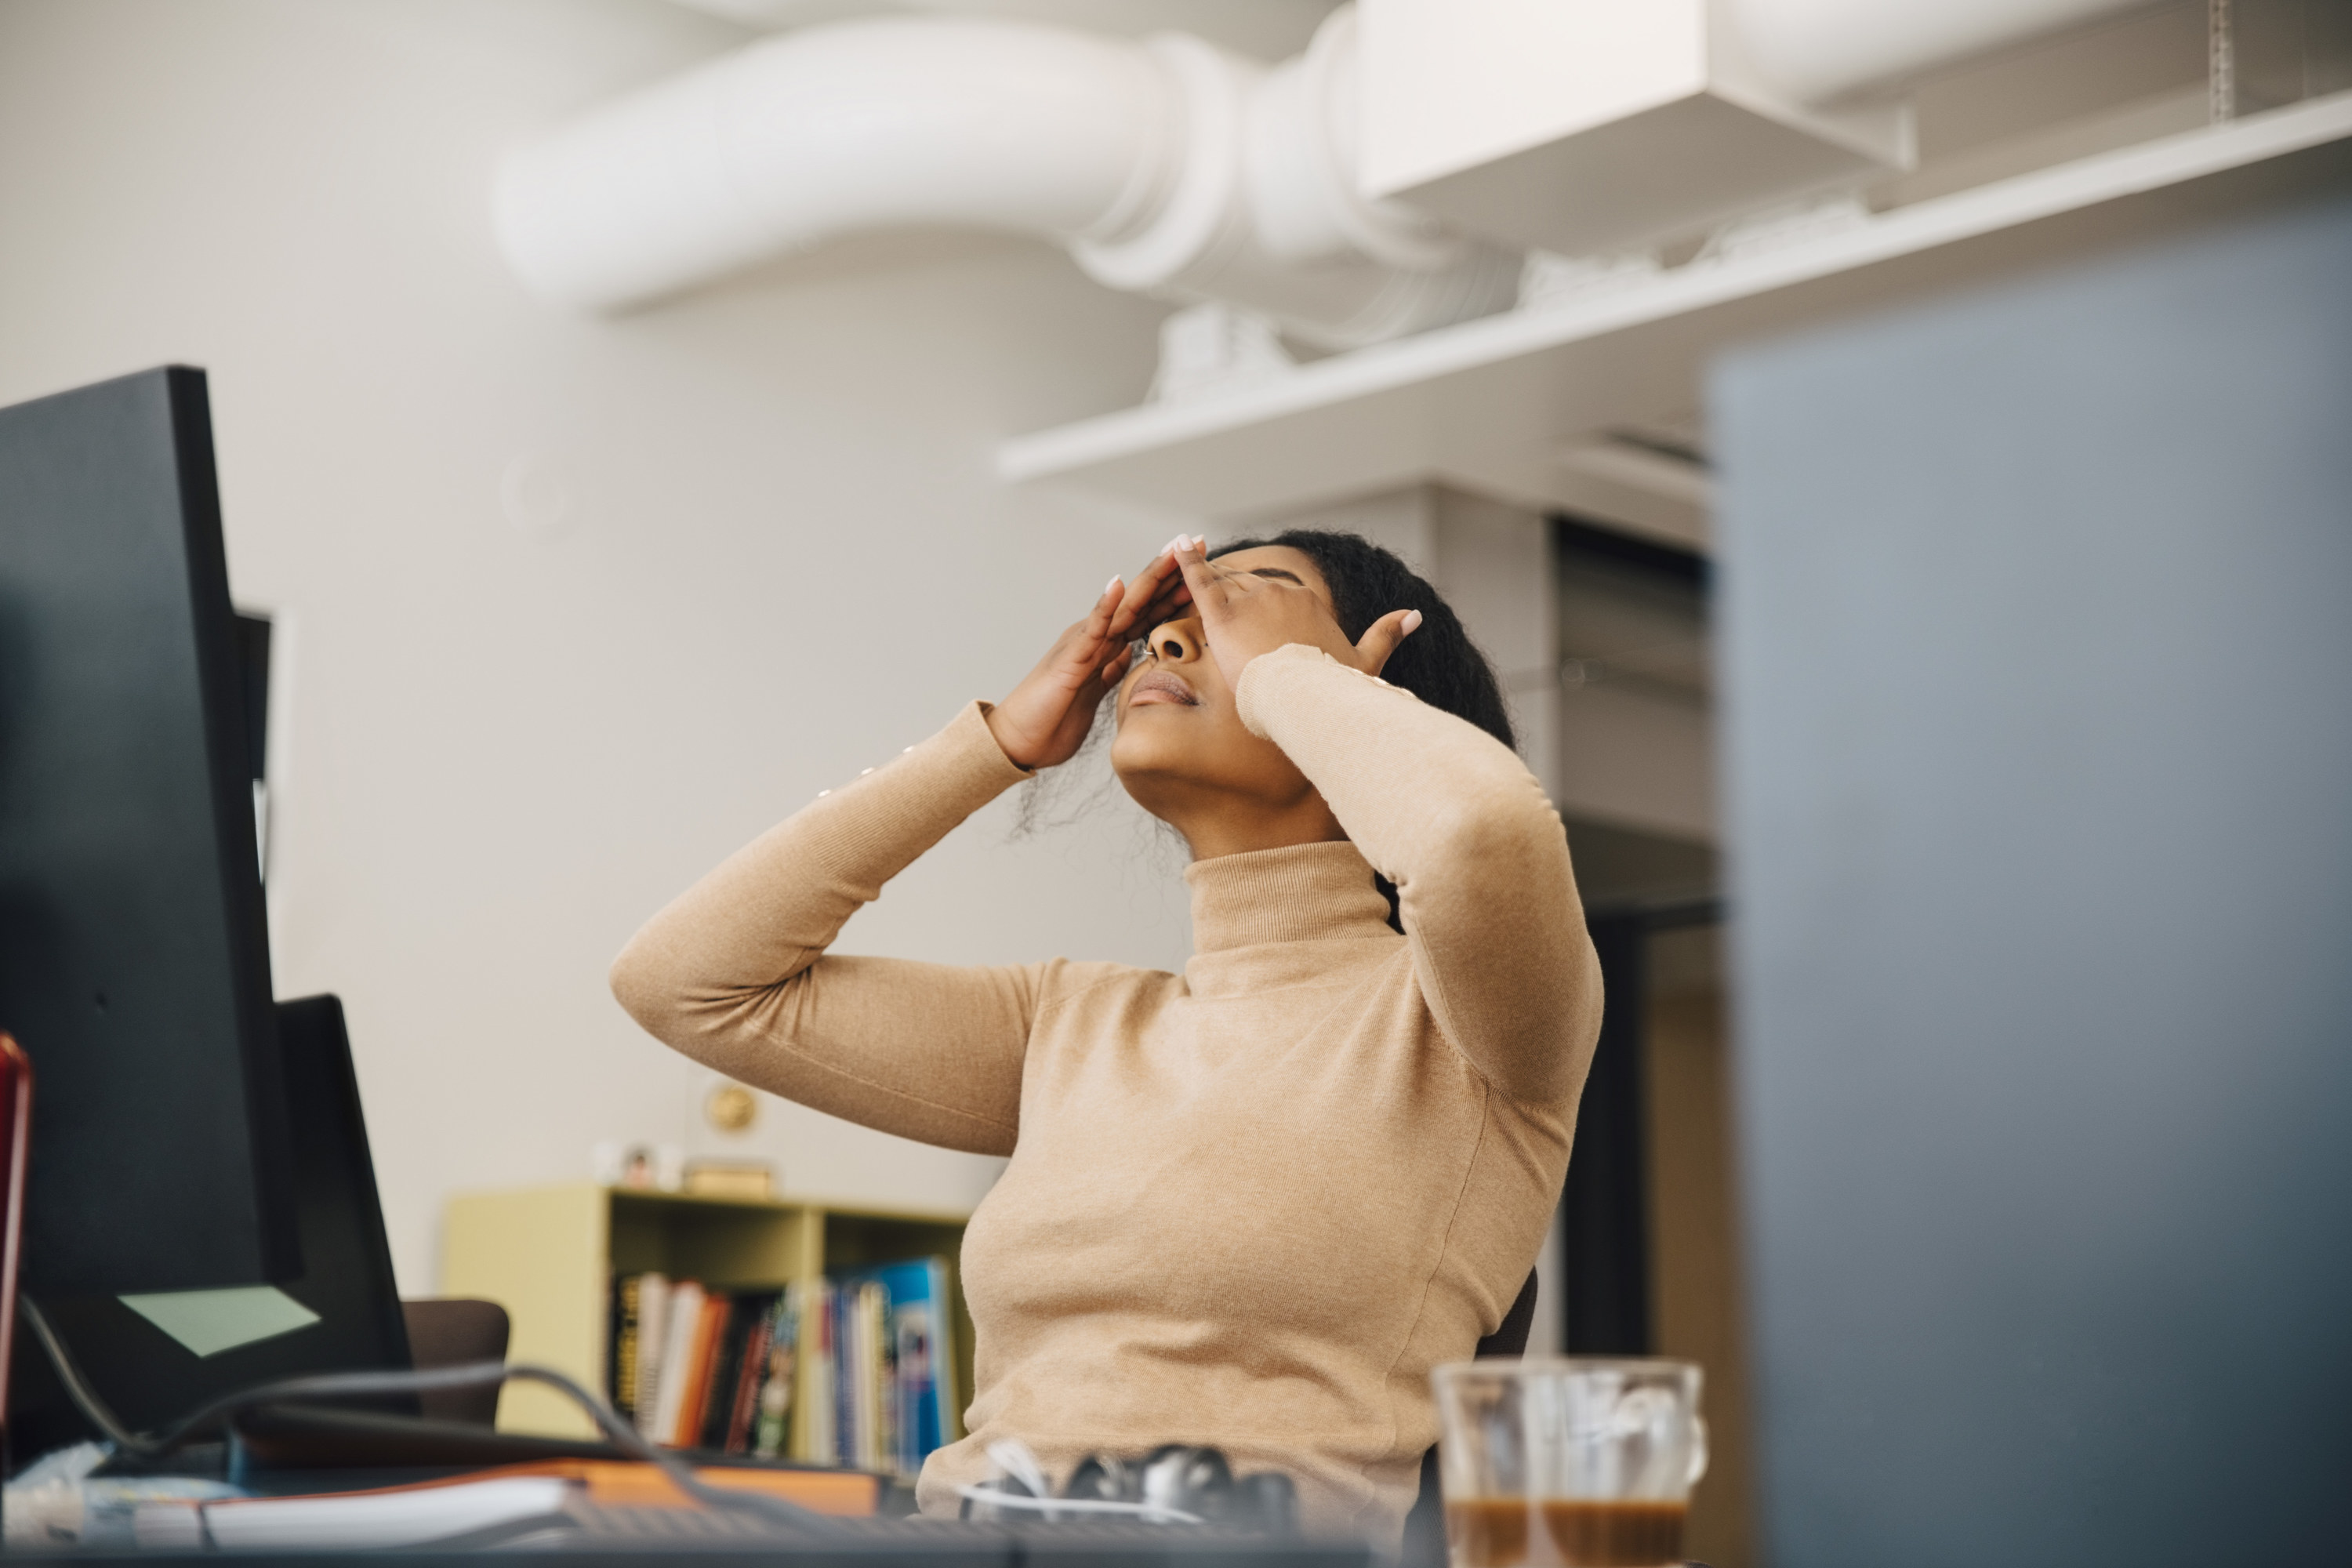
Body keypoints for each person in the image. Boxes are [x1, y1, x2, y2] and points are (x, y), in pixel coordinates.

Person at [611, 531, 1602, 1541]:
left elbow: (1482, 832)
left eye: (1241, 607)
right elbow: (687, 984)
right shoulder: (1071, 1022)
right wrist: (992, 746)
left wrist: (1291, 683)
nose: (1169, 639)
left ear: (1366, 682)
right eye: (1167, 621)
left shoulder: (1471, 1026)